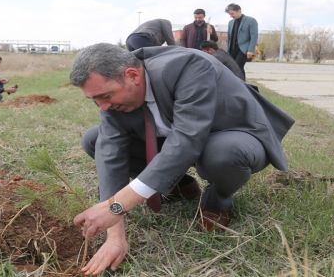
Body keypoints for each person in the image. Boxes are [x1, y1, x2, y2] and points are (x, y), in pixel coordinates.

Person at [70, 43, 294, 275]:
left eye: (106, 96)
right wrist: (115, 237)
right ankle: (179, 186)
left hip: (231, 133)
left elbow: (186, 141)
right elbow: (110, 154)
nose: (103, 107)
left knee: (221, 155)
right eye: (95, 100)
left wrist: (116, 206)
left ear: (132, 75)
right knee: (94, 139)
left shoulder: (188, 66)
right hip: (174, 139)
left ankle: (218, 200)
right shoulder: (113, 100)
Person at [225, 3, 258, 78]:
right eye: (229, 14)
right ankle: (242, 85)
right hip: (232, 49)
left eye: (232, 13)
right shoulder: (230, 22)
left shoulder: (251, 21)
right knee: (236, 68)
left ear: (239, 11)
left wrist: (251, 50)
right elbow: (229, 37)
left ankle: (241, 85)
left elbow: (254, 37)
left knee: (237, 67)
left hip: (244, 49)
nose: (231, 16)